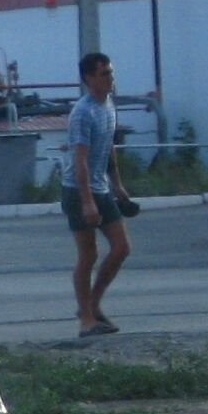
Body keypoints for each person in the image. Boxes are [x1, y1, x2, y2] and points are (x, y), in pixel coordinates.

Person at [61, 50, 131, 336]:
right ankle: (86, 320)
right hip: (78, 190)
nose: (111, 78)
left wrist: (118, 185)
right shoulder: (83, 112)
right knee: (88, 256)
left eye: (111, 72)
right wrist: (88, 202)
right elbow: (79, 160)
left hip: (101, 186)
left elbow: (109, 148)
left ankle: (92, 304)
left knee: (122, 248)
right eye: (105, 74)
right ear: (90, 78)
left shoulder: (109, 104)